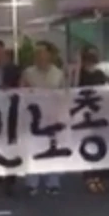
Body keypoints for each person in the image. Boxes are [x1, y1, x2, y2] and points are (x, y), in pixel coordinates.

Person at [21, 41, 65, 196]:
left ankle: (53, 182)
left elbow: (64, 94)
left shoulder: (58, 73)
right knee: (33, 148)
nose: (39, 56)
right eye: (37, 53)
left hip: (52, 115)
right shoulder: (28, 73)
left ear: (49, 55)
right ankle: (32, 182)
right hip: (33, 115)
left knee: (52, 149)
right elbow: (21, 91)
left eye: (42, 53)